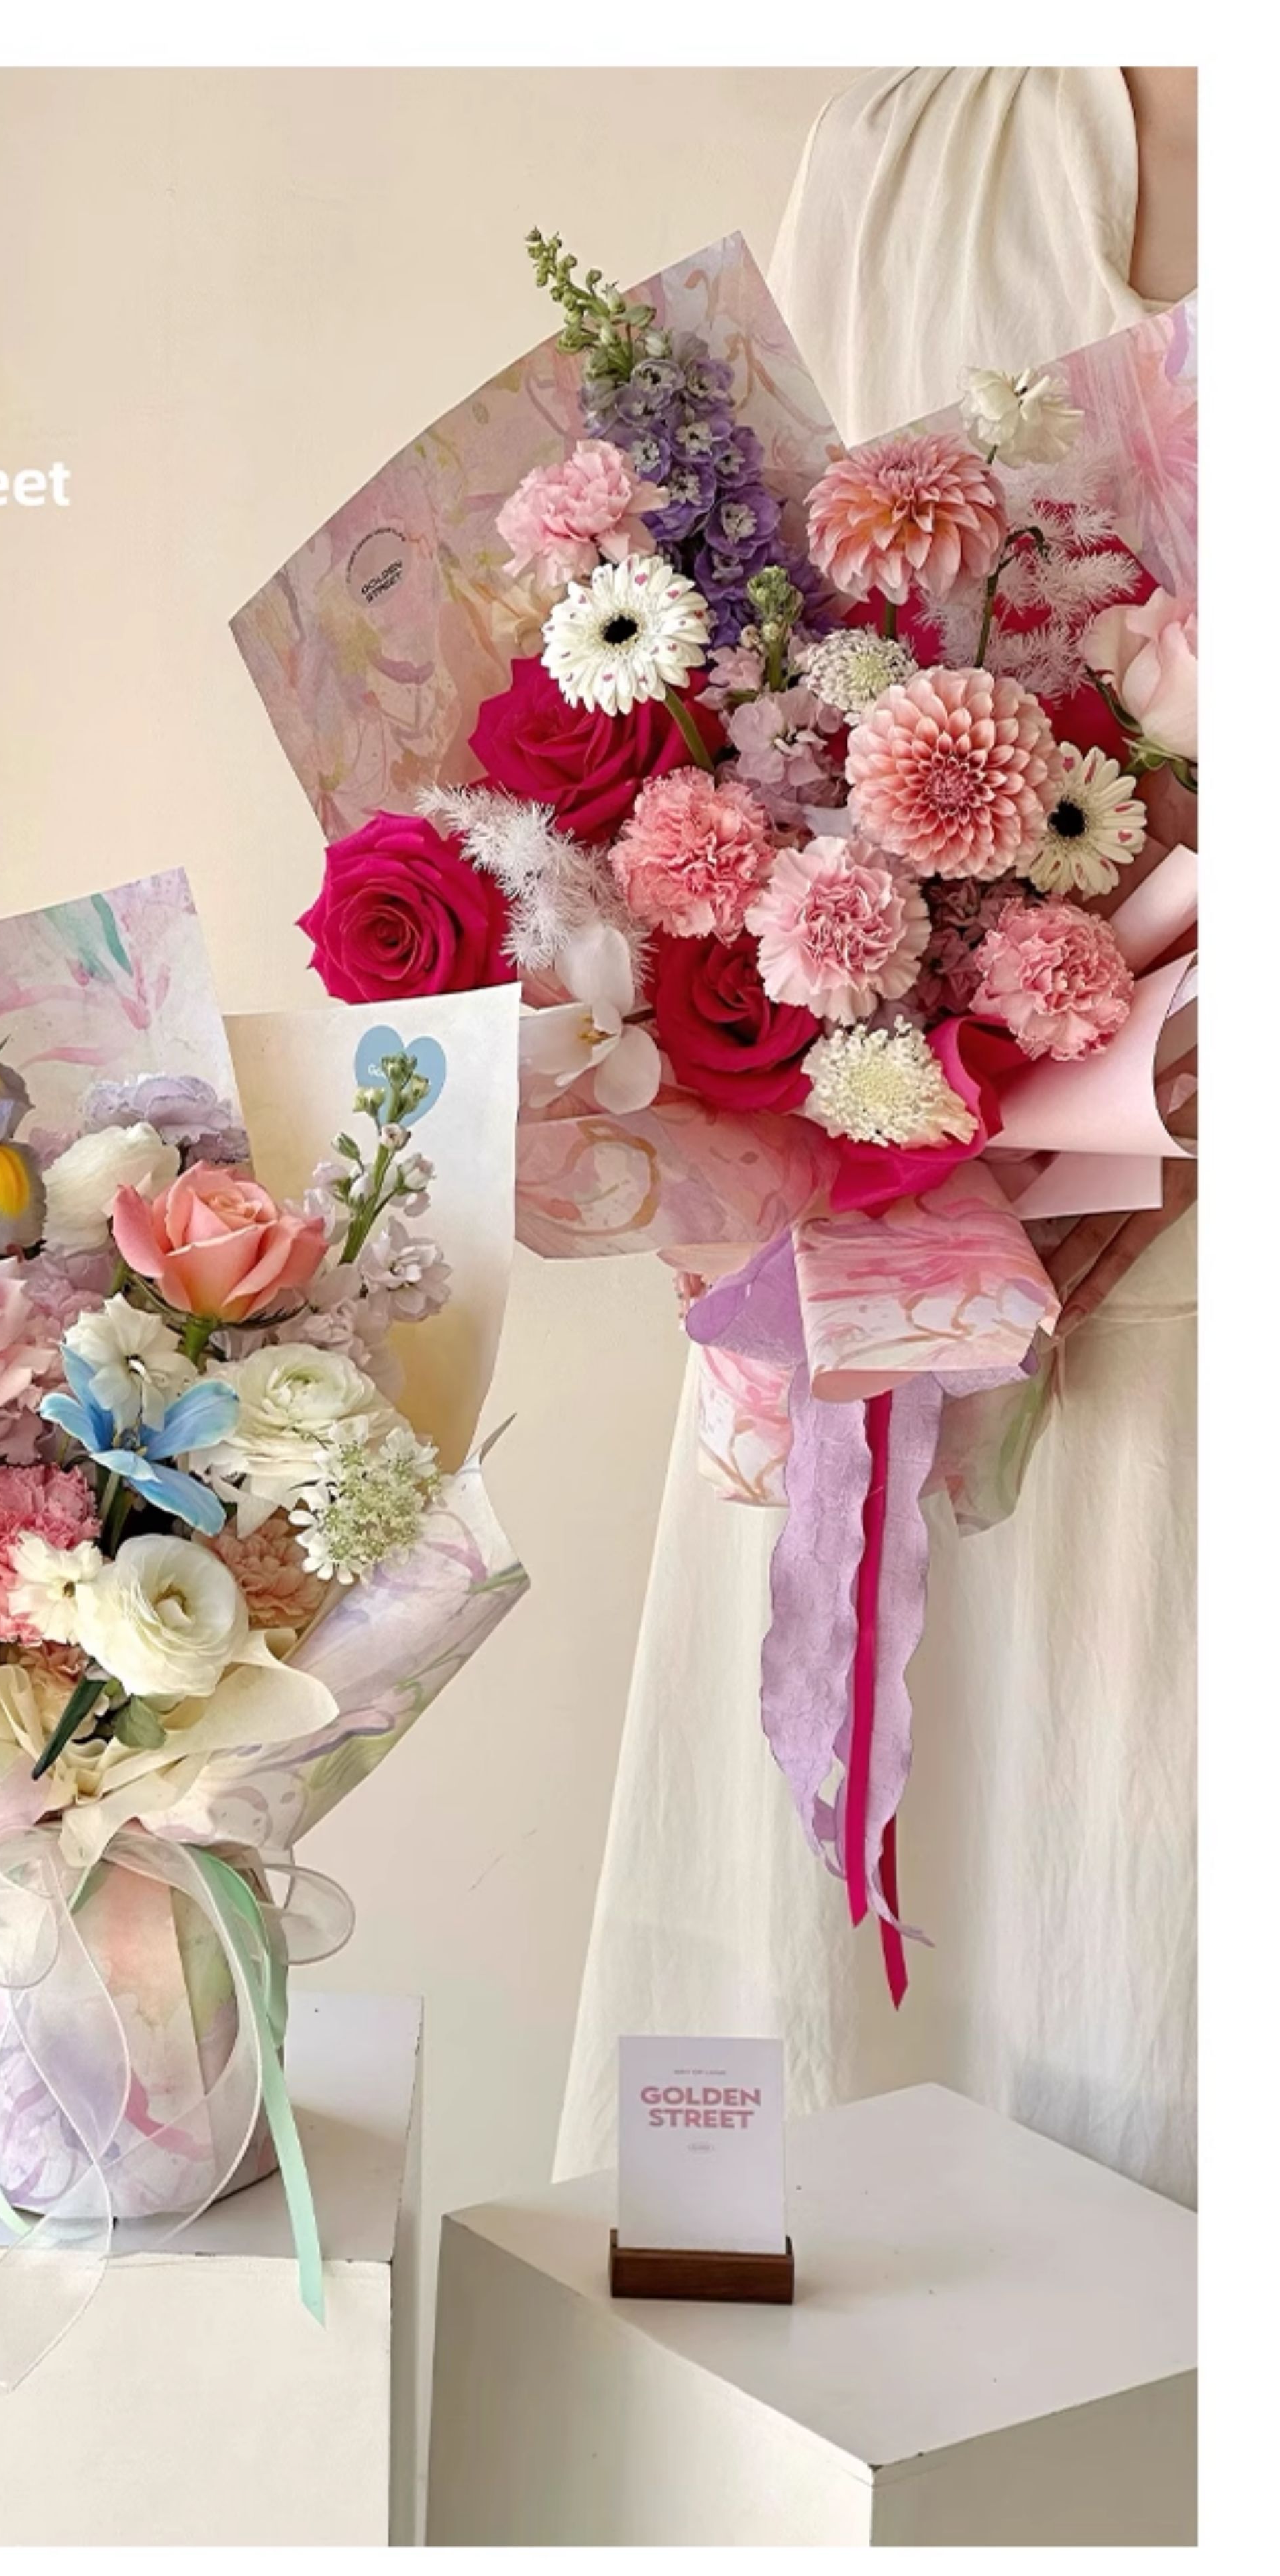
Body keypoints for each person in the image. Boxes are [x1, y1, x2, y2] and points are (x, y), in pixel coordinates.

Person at [555, 67, 1197, 2206]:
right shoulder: (911, 150)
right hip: (888, 1301)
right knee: (828, 2162)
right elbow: (754, 705)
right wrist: (699, 1073)